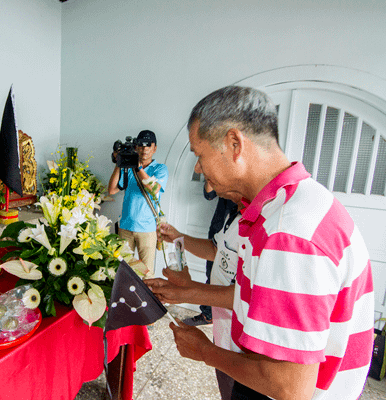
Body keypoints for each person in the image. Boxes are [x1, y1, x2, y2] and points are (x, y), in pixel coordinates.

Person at [146, 86, 374, 399]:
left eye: (200, 155)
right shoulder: (291, 205)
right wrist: (187, 291)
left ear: (234, 144)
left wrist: (204, 351)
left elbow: (288, 386)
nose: (198, 168)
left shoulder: (287, 234)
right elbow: (257, 298)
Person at [160, 191, 242, 399]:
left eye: (201, 158)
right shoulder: (233, 211)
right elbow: (216, 251)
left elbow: (245, 297)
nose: (199, 169)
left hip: (243, 349)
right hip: (223, 332)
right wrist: (179, 238)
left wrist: (187, 292)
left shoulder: (266, 225)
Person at [108, 130, 168, 278]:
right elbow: (112, 190)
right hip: (125, 227)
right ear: (136, 147)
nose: (145, 149)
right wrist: (119, 162)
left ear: (154, 148)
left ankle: (146, 301)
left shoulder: (160, 169)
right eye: (141, 145)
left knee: (146, 273)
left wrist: (139, 168)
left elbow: (154, 190)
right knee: (123, 270)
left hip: (147, 229)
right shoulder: (127, 168)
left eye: (149, 145)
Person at [183, 181, 238, 327]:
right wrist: (178, 237)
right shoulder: (230, 217)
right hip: (218, 228)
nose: (197, 169)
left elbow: (240, 295)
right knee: (212, 273)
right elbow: (209, 195)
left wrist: (183, 292)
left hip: (235, 325)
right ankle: (208, 314)